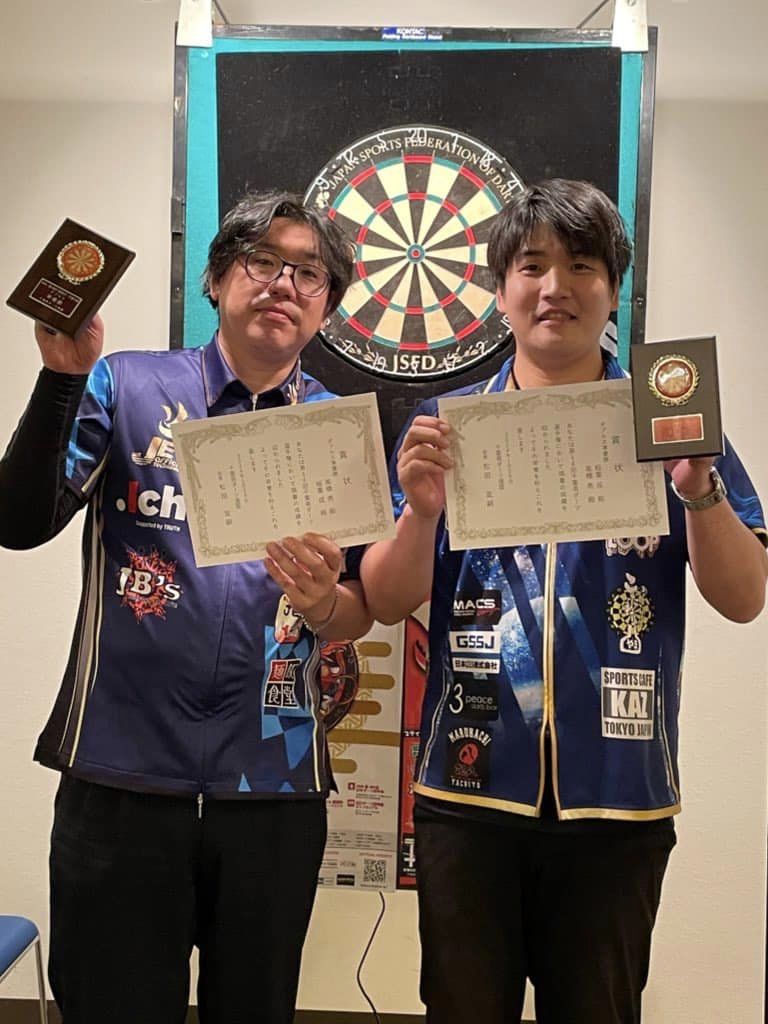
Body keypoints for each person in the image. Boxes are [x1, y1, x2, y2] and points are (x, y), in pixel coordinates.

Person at [360, 179, 767, 1024]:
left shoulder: (670, 419)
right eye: (532, 266)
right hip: (467, 795)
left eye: (582, 266)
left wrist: (699, 490)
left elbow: (743, 598)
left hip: (620, 797)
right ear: (499, 290)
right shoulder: (445, 425)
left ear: (614, 290)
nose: (556, 287)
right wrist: (421, 513)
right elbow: (389, 599)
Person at [0, 192, 372, 1024]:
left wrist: (326, 602)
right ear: (216, 278)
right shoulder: (128, 384)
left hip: (273, 786)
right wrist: (61, 379)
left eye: (309, 273)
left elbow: (359, 607)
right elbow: (18, 523)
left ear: (327, 307)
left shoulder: (338, 429)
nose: (284, 283)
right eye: (262, 260)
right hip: (120, 774)